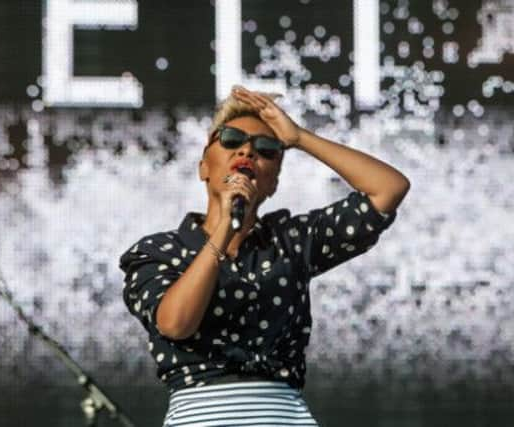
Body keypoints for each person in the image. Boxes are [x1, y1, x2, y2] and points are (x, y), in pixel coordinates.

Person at [119, 85, 410, 426]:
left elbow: (388, 188)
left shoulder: (291, 241)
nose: (247, 150)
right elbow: (176, 323)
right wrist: (225, 227)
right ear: (203, 167)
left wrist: (299, 137)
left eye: (267, 148)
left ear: (272, 184)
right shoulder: (158, 252)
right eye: (230, 139)